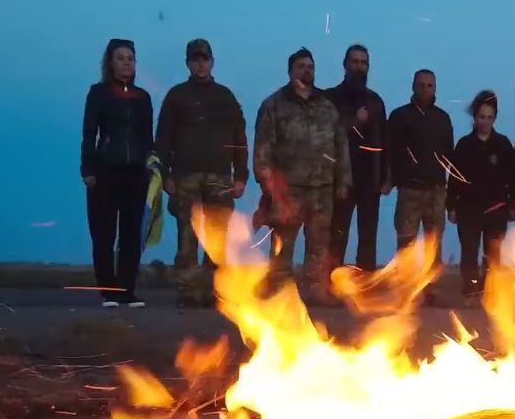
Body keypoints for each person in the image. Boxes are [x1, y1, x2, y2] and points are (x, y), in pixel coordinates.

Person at [153, 38, 249, 307]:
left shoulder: (225, 97)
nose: (200, 64)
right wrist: (166, 175)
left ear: (212, 61)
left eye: (204, 59)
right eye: (195, 59)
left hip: (220, 177)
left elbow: (239, 138)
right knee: (188, 235)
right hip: (185, 176)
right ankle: (187, 290)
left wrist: (241, 175)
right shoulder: (177, 96)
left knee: (217, 236)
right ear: (188, 63)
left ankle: (212, 290)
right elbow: (162, 139)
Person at [253, 48, 352, 306]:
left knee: (318, 247)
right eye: (301, 66)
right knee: (282, 246)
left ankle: (314, 294)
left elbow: (340, 145)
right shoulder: (274, 105)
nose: (306, 70)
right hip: (288, 190)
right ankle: (279, 295)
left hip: (322, 189)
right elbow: (263, 147)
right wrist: (267, 182)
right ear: (290, 71)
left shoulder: (327, 107)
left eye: (310, 66)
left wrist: (344, 179)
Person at [80, 38, 155, 308]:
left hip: (135, 174)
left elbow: (148, 137)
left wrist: (152, 166)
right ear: (110, 62)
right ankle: (108, 291)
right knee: (103, 235)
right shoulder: (99, 93)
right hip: (104, 173)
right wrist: (87, 169)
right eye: (120, 58)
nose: (126, 63)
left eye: (130, 58)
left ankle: (126, 290)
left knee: (131, 236)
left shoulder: (142, 98)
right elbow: (90, 133)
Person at [383, 69, 454, 304]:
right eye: (421, 85)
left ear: (435, 88)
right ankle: (406, 288)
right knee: (406, 241)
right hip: (409, 191)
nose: (425, 89)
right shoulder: (399, 116)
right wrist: (388, 180)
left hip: (436, 190)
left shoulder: (442, 119)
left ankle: (430, 288)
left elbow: (449, 156)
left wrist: (450, 194)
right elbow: (389, 152)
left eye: (430, 86)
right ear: (413, 87)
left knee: (434, 242)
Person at [447, 90, 515, 303]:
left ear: (494, 118)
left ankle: (491, 290)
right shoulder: (464, 145)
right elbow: (454, 178)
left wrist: (512, 204)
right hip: (469, 208)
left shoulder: (503, 145)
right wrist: (451, 206)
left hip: (496, 208)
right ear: (474, 117)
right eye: (481, 117)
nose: (485, 122)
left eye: (489, 117)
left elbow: (513, 178)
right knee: (469, 251)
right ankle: (471, 287)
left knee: (493, 253)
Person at [323, 44, 387, 271]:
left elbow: (385, 141)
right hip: (341, 179)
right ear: (345, 64)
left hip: (370, 181)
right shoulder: (330, 99)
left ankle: (365, 287)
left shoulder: (376, 102)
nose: (359, 67)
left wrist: (386, 177)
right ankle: (331, 285)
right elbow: (325, 133)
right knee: (336, 236)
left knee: (368, 238)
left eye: (364, 63)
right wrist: (354, 120)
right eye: (355, 62)